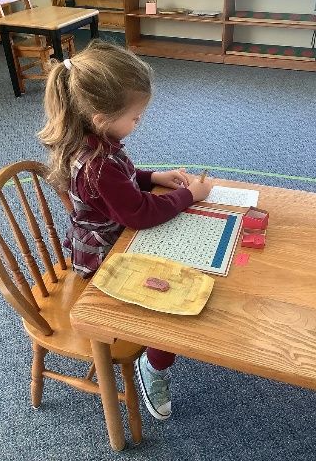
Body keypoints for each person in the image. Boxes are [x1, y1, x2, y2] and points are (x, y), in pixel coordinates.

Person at [38, 40, 213, 421]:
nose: (138, 124)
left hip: (107, 235)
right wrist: (190, 197)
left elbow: (124, 181)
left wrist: (152, 176)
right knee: (167, 304)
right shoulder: (99, 163)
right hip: (104, 254)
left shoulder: (92, 138)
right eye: (135, 118)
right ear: (101, 117)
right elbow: (139, 213)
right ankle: (154, 367)